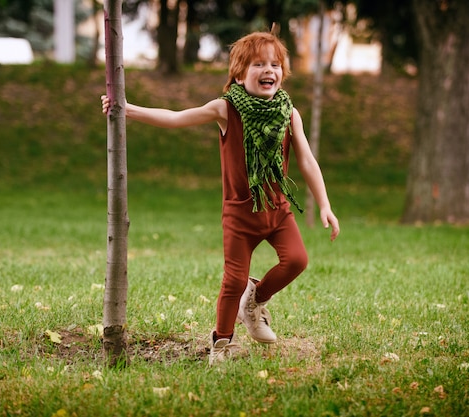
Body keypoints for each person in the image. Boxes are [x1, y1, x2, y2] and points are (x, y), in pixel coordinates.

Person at [101, 28, 340, 366]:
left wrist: (326, 205)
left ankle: (254, 302)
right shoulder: (226, 109)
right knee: (233, 280)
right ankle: (222, 342)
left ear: (283, 74)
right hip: (241, 214)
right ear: (239, 75)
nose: (268, 70)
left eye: (274, 64)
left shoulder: (290, 113)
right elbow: (175, 118)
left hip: (277, 210)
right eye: (258, 64)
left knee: (297, 261)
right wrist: (127, 108)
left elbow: (306, 160)